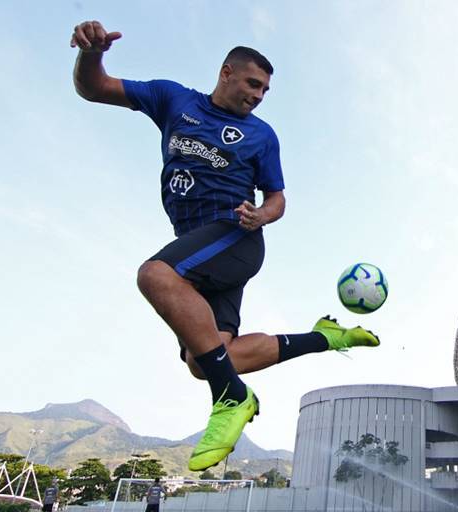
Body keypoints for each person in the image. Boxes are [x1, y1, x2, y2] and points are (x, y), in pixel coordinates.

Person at [69, 21, 380, 472]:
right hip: (198, 249)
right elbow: (94, 87)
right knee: (206, 358)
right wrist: (91, 54)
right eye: (253, 83)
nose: (257, 95)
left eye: (265, 90)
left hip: (234, 238)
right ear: (226, 72)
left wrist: (263, 215)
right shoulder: (173, 99)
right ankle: (324, 338)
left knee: (155, 275)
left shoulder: (262, 136)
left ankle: (231, 396)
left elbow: (277, 198)